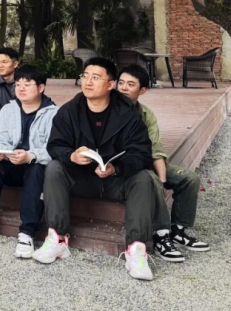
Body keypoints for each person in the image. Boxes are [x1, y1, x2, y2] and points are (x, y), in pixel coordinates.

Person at [35, 57, 158, 281]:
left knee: (143, 178)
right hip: (83, 179)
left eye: (95, 77)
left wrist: (115, 167)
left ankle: (136, 250)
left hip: (116, 180)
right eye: (85, 76)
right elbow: (55, 145)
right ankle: (57, 239)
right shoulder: (70, 111)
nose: (88, 82)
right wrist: (71, 156)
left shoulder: (129, 114)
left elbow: (141, 153)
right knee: (54, 168)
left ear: (110, 84)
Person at [117, 64, 210, 260]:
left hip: (148, 162)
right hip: (126, 168)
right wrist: (156, 182)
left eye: (130, 84)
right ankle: (161, 235)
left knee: (189, 178)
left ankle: (178, 230)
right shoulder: (109, 110)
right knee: (151, 180)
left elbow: (156, 150)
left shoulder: (145, 114)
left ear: (142, 90)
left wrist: (163, 179)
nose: (124, 88)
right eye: (121, 83)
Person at [0, 65, 58, 258]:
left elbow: (54, 149)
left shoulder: (53, 114)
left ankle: (27, 233)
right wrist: (0, 151)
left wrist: (30, 156)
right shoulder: (8, 109)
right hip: (11, 163)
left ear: (41, 87)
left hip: (33, 167)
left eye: (27, 84)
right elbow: (1, 138)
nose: (21, 88)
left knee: (37, 169)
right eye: (18, 84)